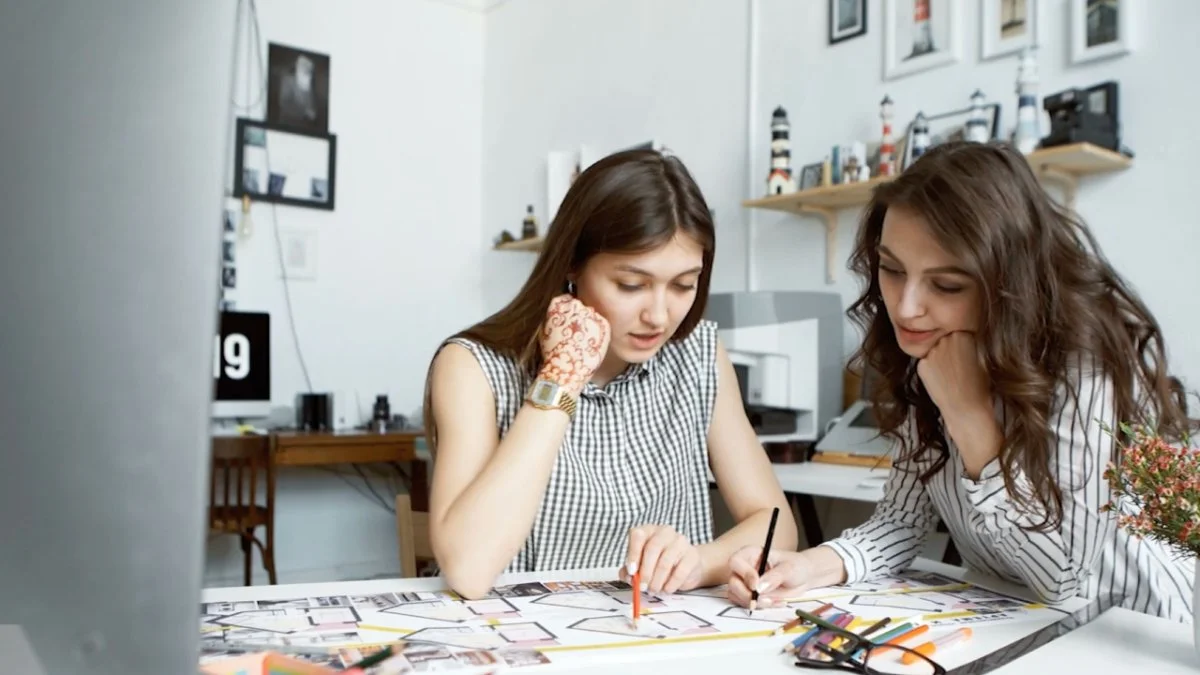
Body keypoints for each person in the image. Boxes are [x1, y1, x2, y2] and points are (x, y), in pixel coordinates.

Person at [726, 141, 1196, 622]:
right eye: (891, 270)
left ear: (1009, 284)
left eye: (947, 285)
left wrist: (968, 415)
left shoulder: (1082, 366)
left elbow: (1061, 578)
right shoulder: (927, 348)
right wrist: (810, 566)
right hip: (1016, 620)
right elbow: (902, 522)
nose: (906, 308)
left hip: (1137, 627)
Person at [423, 148, 796, 599]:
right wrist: (563, 375)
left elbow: (776, 525)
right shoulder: (471, 367)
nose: (659, 315)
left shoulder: (697, 355)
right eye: (631, 285)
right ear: (571, 264)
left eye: (683, 284)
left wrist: (698, 562)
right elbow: (468, 569)